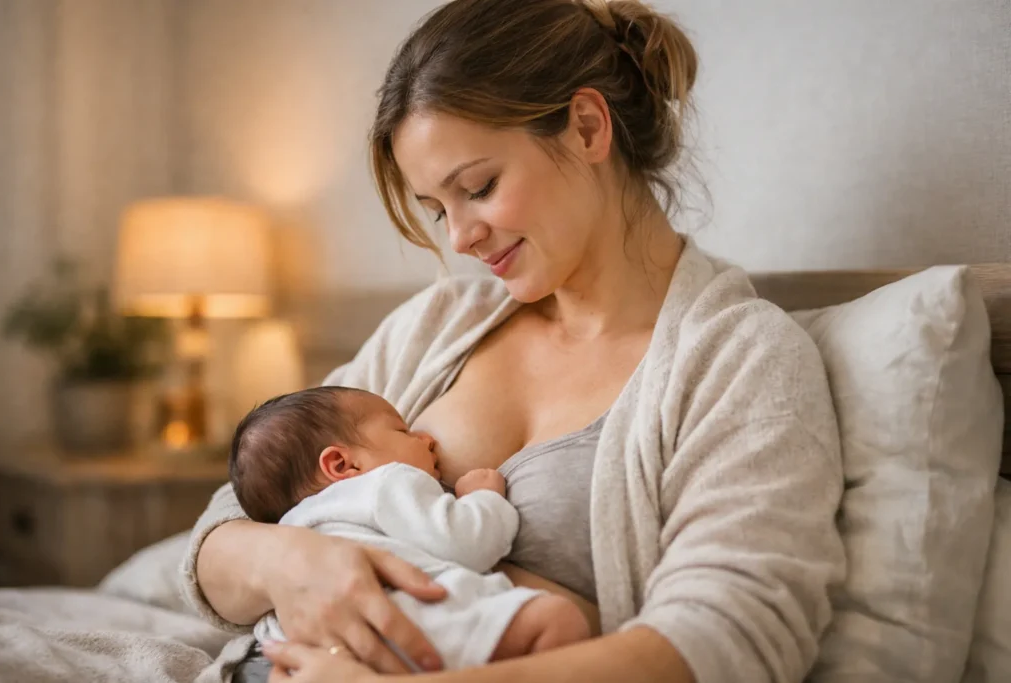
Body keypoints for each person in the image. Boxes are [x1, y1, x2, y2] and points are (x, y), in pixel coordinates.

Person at [181, 0, 847, 682]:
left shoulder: (741, 360)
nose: (459, 237)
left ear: (588, 127)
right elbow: (223, 532)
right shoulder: (435, 326)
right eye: (438, 209)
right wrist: (293, 562)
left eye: (479, 186)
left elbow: (735, 640)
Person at [230, 385, 590, 669]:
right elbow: (468, 545)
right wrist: (483, 498)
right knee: (558, 621)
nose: (426, 439)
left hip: (287, 651)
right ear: (342, 464)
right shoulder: (385, 483)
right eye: (402, 430)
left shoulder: (292, 524)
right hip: (405, 628)